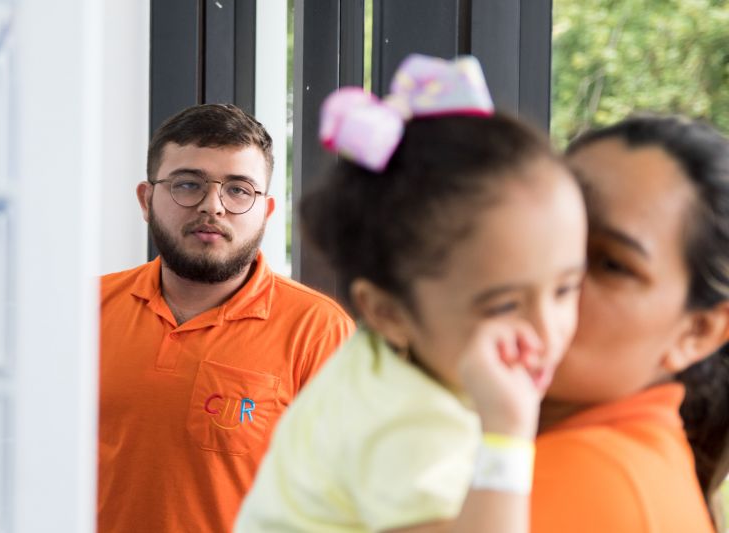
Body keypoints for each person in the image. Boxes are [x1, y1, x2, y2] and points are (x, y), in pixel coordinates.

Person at [235, 54, 587, 533]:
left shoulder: (400, 365)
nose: (548, 330)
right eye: (504, 305)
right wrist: (508, 437)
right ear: (387, 311)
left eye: (566, 288)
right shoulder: (406, 425)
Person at [98, 103, 354, 533]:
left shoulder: (317, 330)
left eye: (238, 190)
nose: (212, 206)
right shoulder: (86, 309)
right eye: (187, 184)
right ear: (146, 200)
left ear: (267, 212)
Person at [531, 114, 729, 533]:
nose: (541, 269)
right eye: (543, 228)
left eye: (608, 263)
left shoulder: (583, 480)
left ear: (699, 332)